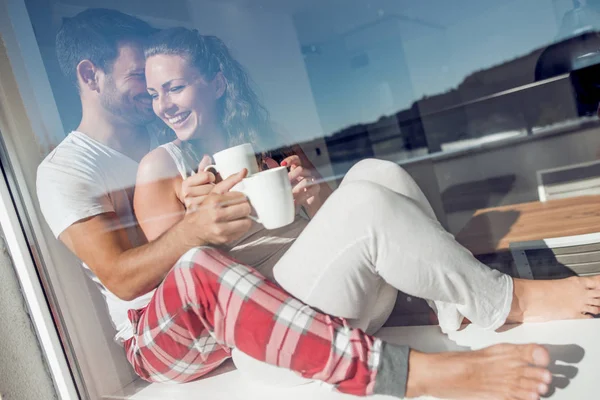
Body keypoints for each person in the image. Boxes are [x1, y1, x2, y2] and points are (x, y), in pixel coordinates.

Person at [36, 9, 553, 400]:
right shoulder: (72, 170)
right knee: (199, 262)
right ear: (90, 75)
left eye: (165, 88)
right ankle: (419, 373)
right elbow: (130, 278)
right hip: (168, 330)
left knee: (371, 177)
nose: (155, 101)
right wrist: (192, 226)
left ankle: (457, 301)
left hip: (262, 304)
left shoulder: (169, 136)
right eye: (140, 83)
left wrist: (311, 195)